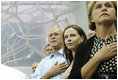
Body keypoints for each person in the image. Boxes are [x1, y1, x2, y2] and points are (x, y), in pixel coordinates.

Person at [68, 1, 117, 79]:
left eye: (108, 6)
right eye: (98, 7)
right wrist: (98, 57)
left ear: (116, 15)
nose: (104, 8)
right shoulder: (83, 46)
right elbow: (73, 77)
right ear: (91, 18)